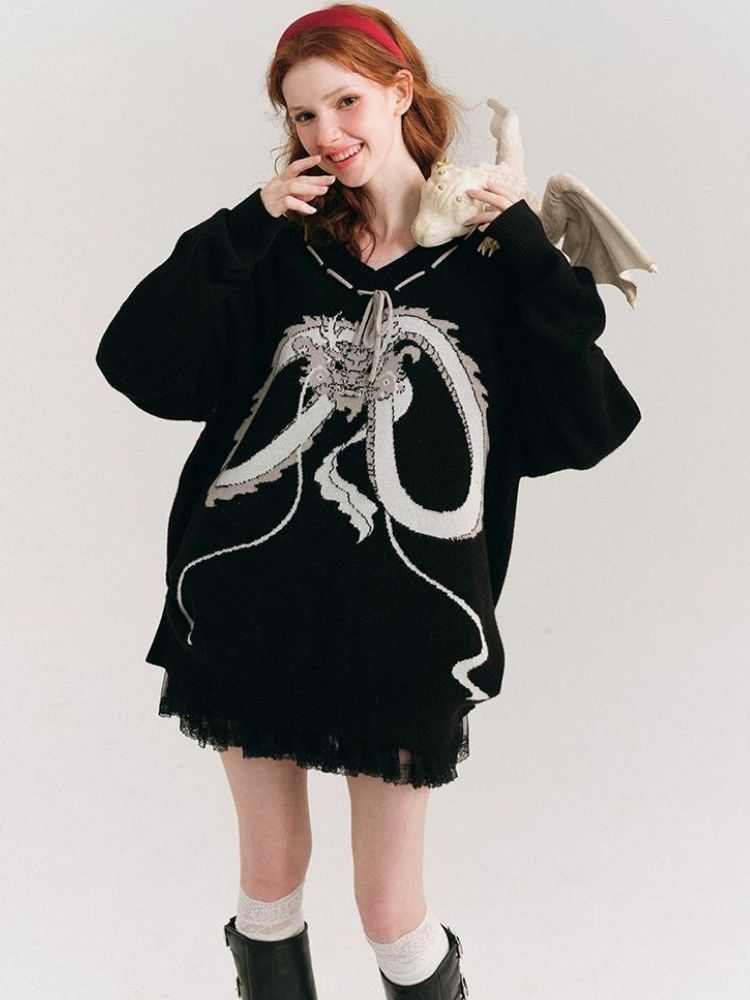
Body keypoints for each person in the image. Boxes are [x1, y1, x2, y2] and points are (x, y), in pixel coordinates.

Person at [94, 4, 642, 998]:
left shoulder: (488, 264)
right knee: (269, 880)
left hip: (410, 625)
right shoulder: (280, 248)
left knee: (391, 909)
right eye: (303, 115)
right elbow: (136, 360)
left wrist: (523, 240)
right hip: (246, 598)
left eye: (345, 102)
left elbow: (589, 423)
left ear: (399, 90)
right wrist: (245, 222)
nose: (327, 132)